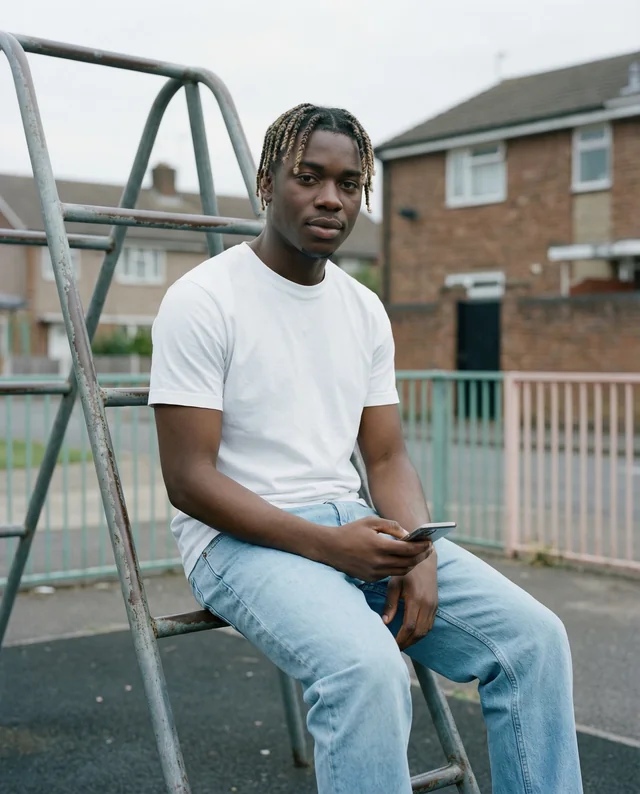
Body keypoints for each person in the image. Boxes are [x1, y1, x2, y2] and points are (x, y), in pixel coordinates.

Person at [148, 103, 583, 794]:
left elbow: (385, 457)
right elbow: (189, 480)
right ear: (266, 183)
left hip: (351, 524)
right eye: (308, 176)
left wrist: (419, 551)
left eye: (349, 184)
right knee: (367, 669)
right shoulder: (203, 299)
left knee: (534, 641)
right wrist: (333, 548)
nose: (331, 198)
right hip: (235, 540)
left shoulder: (362, 307)